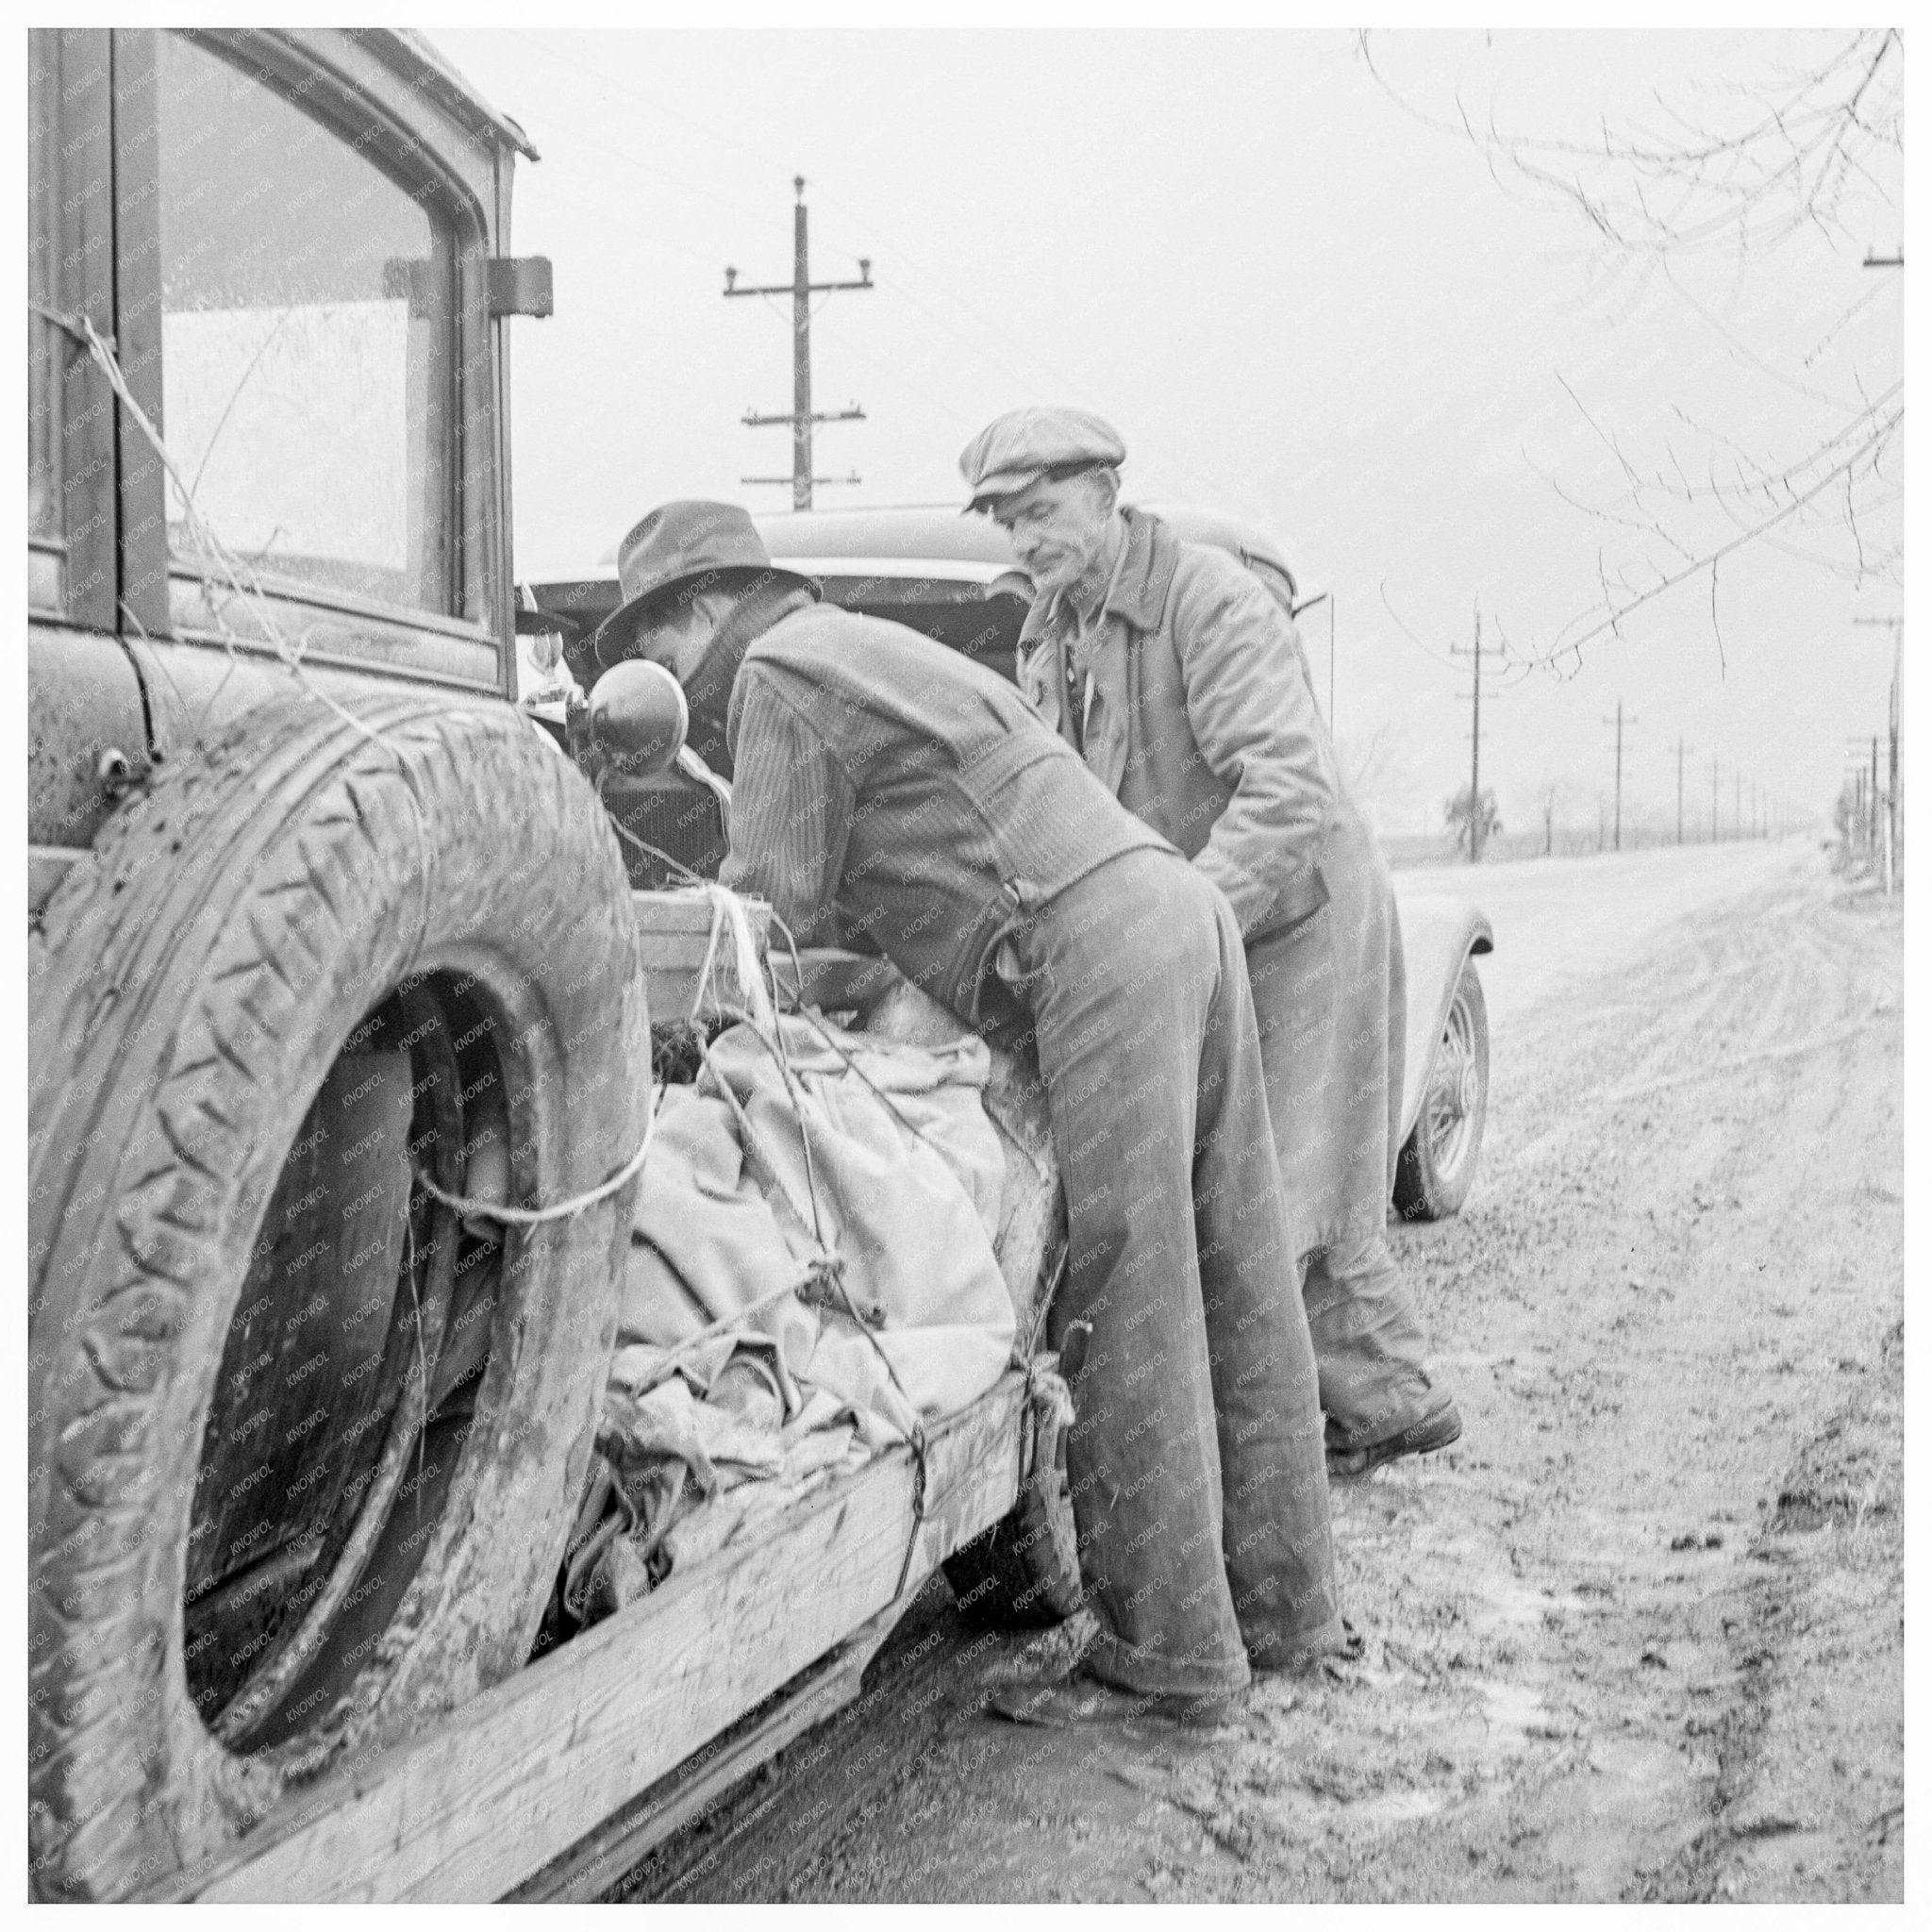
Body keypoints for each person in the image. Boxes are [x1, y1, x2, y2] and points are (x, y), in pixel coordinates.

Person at [587, 499, 1346, 1724]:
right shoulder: (860, 648)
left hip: (1088, 947)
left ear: (700, 612)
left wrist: (668, 1038)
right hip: (1172, 908)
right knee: (1238, 1268)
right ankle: (1287, 1610)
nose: (664, 675)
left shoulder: (778, 678)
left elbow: (759, 928)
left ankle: (1172, 1660)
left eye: (656, 644)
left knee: (1128, 1288)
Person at [960, 408, 1462, 1476]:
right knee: (1259, 1180)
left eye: (1040, 513)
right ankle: (1388, 1397)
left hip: (1295, 924)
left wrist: (1170, 921)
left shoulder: (1208, 601)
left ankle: (1319, 1424)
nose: (1024, 543)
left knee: (1279, 1184)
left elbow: (1285, 790)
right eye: (1008, 523)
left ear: (1105, 495)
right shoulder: (1049, 629)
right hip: (1206, 923)